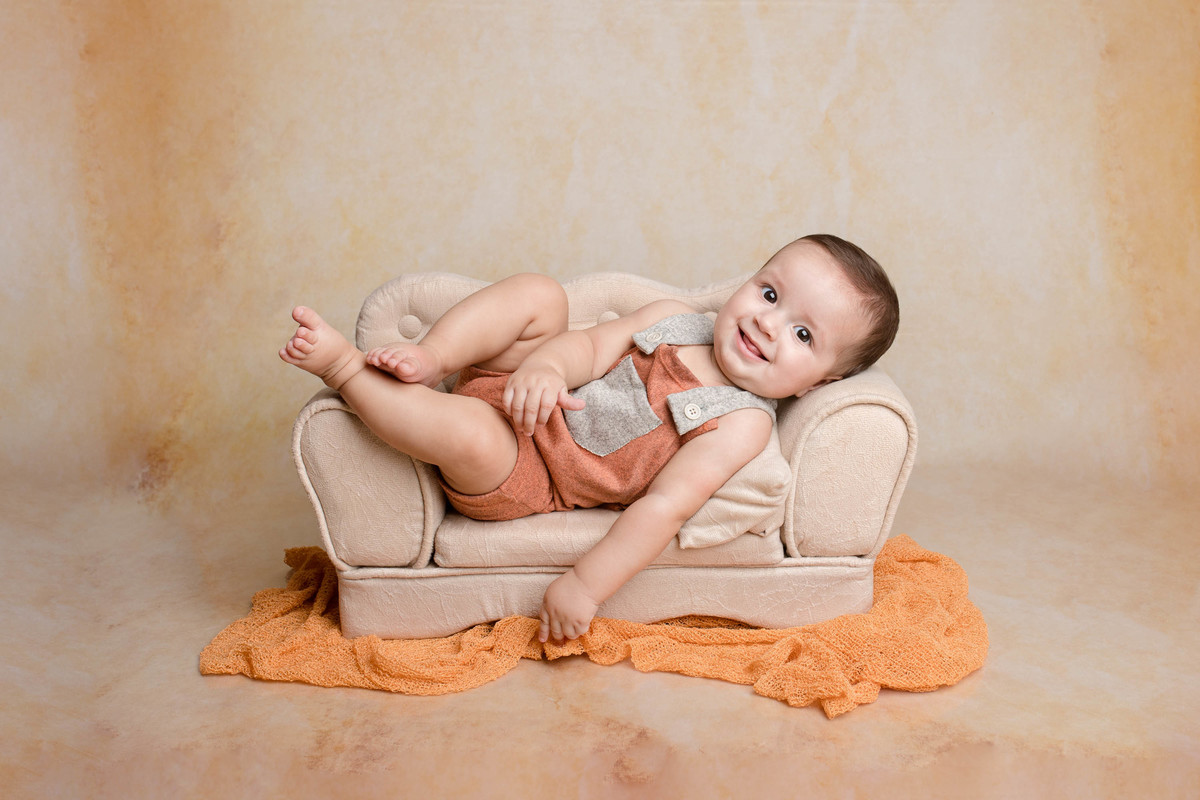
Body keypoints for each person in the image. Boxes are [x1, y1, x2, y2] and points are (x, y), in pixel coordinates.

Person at [279, 234, 898, 644]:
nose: (767, 322)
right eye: (769, 293)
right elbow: (591, 344)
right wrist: (546, 368)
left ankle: (345, 369)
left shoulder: (740, 423)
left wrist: (584, 586)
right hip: (525, 385)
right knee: (539, 294)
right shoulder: (674, 320)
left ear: (822, 382)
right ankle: (431, 357)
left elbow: (663, 508)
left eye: (803, 335)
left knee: (473, 436)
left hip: (530, 471)